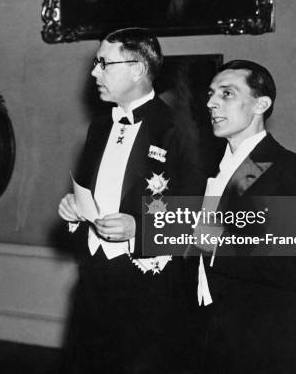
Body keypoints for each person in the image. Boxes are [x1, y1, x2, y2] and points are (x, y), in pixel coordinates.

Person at [58, 27, 204, 373]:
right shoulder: (99, 127)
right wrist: (74, 211)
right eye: (96, 63)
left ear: (137, 69)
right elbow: (93, 192)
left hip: (150, 289)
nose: (94, 72)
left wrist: (139, 228)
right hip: (94, 280)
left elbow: (201, 214)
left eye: (104, 64)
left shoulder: (180, 130)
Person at [189, 60, 296, 373]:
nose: (211, 103)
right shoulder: (207, 170)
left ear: (261, 104)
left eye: (227, 94)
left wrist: (221, 245)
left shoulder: (292, 170)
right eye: (211, 94)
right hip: (210, 339)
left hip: (265, 345)